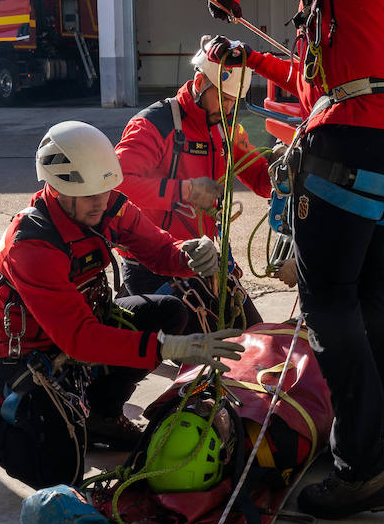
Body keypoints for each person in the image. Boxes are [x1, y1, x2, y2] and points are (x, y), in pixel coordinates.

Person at [201, 0, 384, 519]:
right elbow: (315, 82)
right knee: (373, 291)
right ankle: (375, 443)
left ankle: (362, 468)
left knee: (328, 300)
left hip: (351, 144)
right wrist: (251, 56)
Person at [0, 121, 245, 489]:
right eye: (89, 194)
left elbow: (156, 249)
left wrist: (187, 255)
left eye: (105, 190)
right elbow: (79, 338)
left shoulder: (106, 205)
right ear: (58, 188)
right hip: (24, 359)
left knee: (170, 312)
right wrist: (163, 346)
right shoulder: (32, 246)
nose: (101, 201)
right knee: (60, 473)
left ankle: (101, 416)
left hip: (77, 332)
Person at [113, 36, 273, 327]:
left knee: (254, 335)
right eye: (222, 98)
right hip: (151, 263)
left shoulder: (226, 128)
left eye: (234, 102)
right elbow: (117, 184)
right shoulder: (155, 123)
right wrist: (185, 191)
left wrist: (282, 168)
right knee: (208, 348)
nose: (227, 108)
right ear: (200, 83)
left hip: (202, 258)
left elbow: (262, 182)